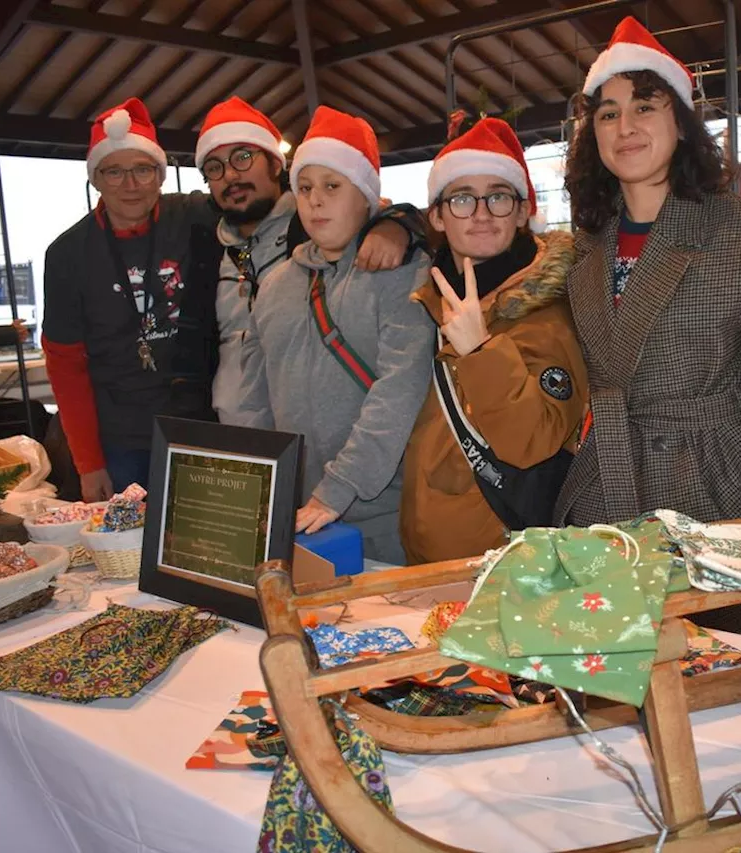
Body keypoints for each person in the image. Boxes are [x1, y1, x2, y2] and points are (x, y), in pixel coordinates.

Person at [556, 16, 741, 531]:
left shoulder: (738, 231)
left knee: (724, 613)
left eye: (644, 107)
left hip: (711, 487)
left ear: (680, 122)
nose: (625, 128)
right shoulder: (588, 241)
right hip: (606, 481)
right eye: (608, 114)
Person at [237, 107, 434, 565]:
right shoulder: (275, 284)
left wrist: (339, 488)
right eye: (304, 188)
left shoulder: (400, 271)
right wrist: (259, 487)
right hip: (295, 510)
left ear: (365, 196)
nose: (315, 201)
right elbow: (254, 397)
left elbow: (400, 389)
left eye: (333, 186)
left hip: (383, 507)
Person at [400, 116, 587, 564]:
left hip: (502, 567)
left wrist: (479, 350)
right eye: (463, 198)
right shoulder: (425, 297)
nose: (481, 214)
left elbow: (534, 442)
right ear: (438, 216)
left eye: (498, 197)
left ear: (523, 211)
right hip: (425, 553)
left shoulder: (552, 311)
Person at [170, 96, 423, 424]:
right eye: (214, 167)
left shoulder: (314, 230)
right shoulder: (208, 248)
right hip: (236, 437)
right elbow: (192, 354)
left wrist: (399, 224)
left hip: (328, 437)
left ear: (276, 164)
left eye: (243, 157)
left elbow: (380, 208)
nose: (230, 175)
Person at [43, 98, 221, 501]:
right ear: (96, 179)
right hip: (122, 441)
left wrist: (390, 222)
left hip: (203, 425)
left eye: (142, 169)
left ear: (159, 174)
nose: (131, 184)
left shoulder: (195, 216)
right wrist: (89, 465)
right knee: (128, 557)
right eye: (115, 171)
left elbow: (267, 206)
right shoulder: (68, 254)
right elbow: (66, 366)